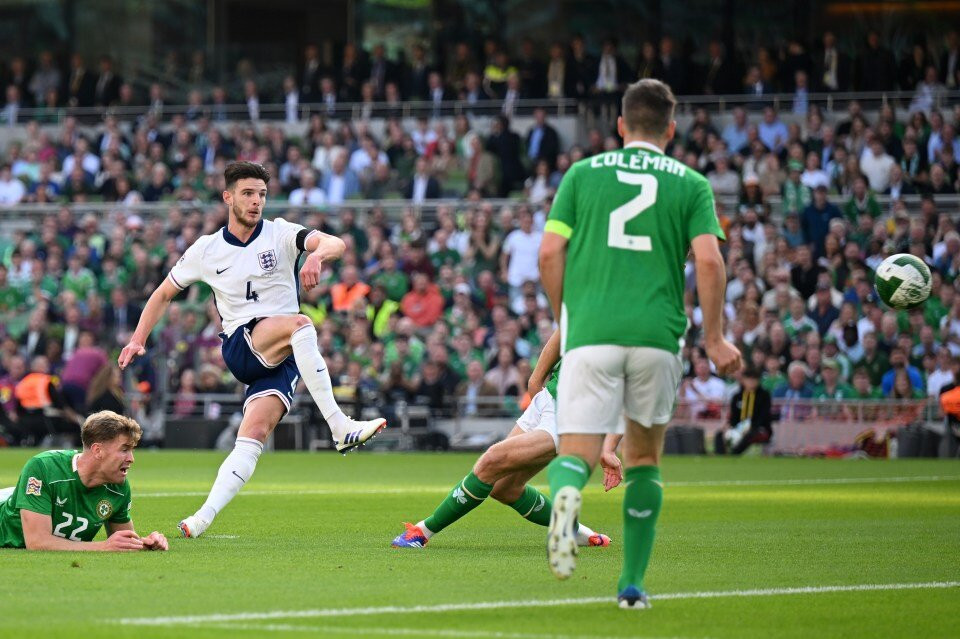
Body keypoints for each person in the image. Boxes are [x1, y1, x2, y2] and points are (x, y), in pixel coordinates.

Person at [538, 79, 741, 608]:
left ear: (621, 126)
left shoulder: (582, 174)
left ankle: (565, 495)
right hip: (656, 337)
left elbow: (549, 253)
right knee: (645, 460)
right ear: (671, 130)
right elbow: (711, 260)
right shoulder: (692, 183)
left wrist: (568, 316)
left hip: (591, 335)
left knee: (577, 452)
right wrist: (715, 337)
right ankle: (631, 587)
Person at [118, 161, 386, 539]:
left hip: (284, 354)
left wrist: (316, 255)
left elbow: (335, 243)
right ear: (228, 197)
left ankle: (200, 519)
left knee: (253, 436)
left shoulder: (280, 234)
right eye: (247, 193)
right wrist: (138, 339)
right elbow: (163, 293)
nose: (256, 201)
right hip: (243, 345)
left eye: (261, 193)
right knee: (302, 323)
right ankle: (339, 426)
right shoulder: (207, 249)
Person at [391, 331, 612, 549]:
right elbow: (565, 329)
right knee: (504, 488)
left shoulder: (632, 318)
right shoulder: (593, 300)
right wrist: (536, 379)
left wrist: (609, 447)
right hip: (548, 397)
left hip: (572, 414)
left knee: (492, 460)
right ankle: (576, 531)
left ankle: (422, 532)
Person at [0, 410, 167, 551]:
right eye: (124, 449)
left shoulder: (118, 486)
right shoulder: (43, 467)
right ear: (98, 450)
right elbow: (37, 542)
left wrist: (148, 543)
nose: (131, 459)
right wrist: (102, 547)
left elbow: (124, 542)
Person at [715, 368, 773, 455]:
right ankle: (720, 455)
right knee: (720, 434)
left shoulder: (764, 396)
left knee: (750, 435)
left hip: (759, 428)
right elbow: (734, 416)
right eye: (748, 379)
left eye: (754, 379)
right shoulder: (737, 396)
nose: (751, 382)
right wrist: (729, 425)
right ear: (743, 380)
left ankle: (734, 454)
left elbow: (764, 416)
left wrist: (751, 427)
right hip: (739, 428)